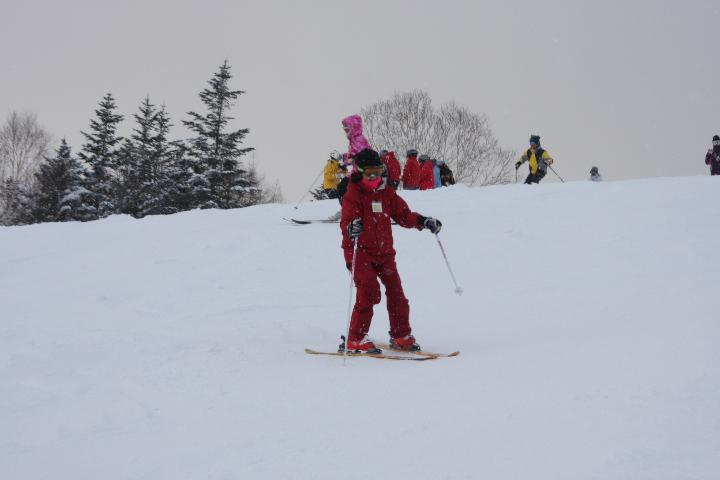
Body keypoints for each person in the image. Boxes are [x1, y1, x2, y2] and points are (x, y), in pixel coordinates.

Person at [340, 148, 442, 353]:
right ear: (360, 172)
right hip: (360, 253)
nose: (374, 177)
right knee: (368, 292)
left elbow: (404, 215)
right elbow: (346, 223)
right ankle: (355, 338)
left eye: (378, 171)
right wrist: (352, 228)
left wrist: (423, 221)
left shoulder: (386, 193)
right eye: (369, 173)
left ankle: (400, 335)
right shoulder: (354, 194)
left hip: (384, 254)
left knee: (397, 294)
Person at [329, 115, 373, 220]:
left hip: (362, 173)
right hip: (357, 172)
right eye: (345, 130)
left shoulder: (359, 140)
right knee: (344, 188)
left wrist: (352, 159)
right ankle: (349, 209)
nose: (346, 132)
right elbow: (352, 155)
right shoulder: (354, 140)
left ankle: (350, 210)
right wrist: (343, 158)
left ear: (354, 128)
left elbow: (362, 156)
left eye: (347, 129)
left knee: (344, 188)